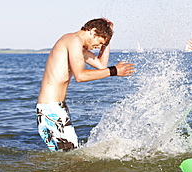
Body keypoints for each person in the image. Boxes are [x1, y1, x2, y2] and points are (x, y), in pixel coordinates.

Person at [36, 18, 135, 151]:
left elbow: (101, 65)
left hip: (56, 108)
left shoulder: (77, 46)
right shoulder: (73, 39)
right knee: (72, 156)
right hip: (51, 109)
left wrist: (108, 37)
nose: (99, 47)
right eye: (99, 42)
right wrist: (114, 71)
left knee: (66, 156)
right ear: (93, 32)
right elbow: (80, 76)